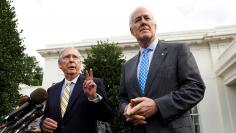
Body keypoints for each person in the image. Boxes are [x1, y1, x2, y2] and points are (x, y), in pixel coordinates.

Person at [119, 7, 205, 133]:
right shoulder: (127, 66)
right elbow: (123, 99)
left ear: (155, 25)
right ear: (132, 31)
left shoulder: (178, 50)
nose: (143, 22)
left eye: (147, 18)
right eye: (137, 20)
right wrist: (126, 110)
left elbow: (196, 87)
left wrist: (157, 105)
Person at [40, 47, 112, 133]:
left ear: (80, 63)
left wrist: (93, 97)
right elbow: (46, 117)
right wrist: (43, 124)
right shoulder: (51, 91)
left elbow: (106, 116)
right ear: (59, 64)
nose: (71, 60)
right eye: (67, 57)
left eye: (75, 57)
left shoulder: (93, 83)